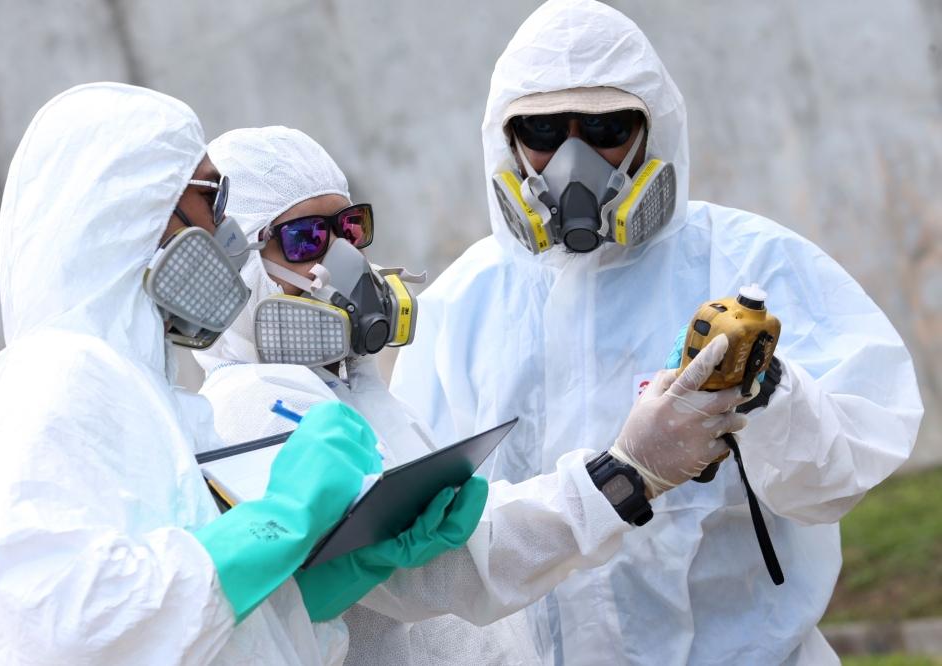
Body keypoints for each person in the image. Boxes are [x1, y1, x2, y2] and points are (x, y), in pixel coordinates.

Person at [391, 1, 925, 664]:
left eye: (608, 125)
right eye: (544, 129)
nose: (573, 157)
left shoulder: (748, 263)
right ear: (507, 141)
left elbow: (837, 478)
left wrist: (771, 395)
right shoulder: (462, 304)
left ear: (654, 129)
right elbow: (427, 536)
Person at [193, 125, 751, 665]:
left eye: (349, 228)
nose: (344, 259)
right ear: (240, 266)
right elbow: (429, 569)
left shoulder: (346, 387)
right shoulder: (250, 404)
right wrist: (626, 473)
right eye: (306, 237)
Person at [0, 82, 403, 665]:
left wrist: (331, 577)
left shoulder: (153, 397)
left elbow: (206, 623)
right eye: (212, 198)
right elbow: (65, 618)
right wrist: (276, 522)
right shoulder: (55, 372)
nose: (228, 233)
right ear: (136, 205)